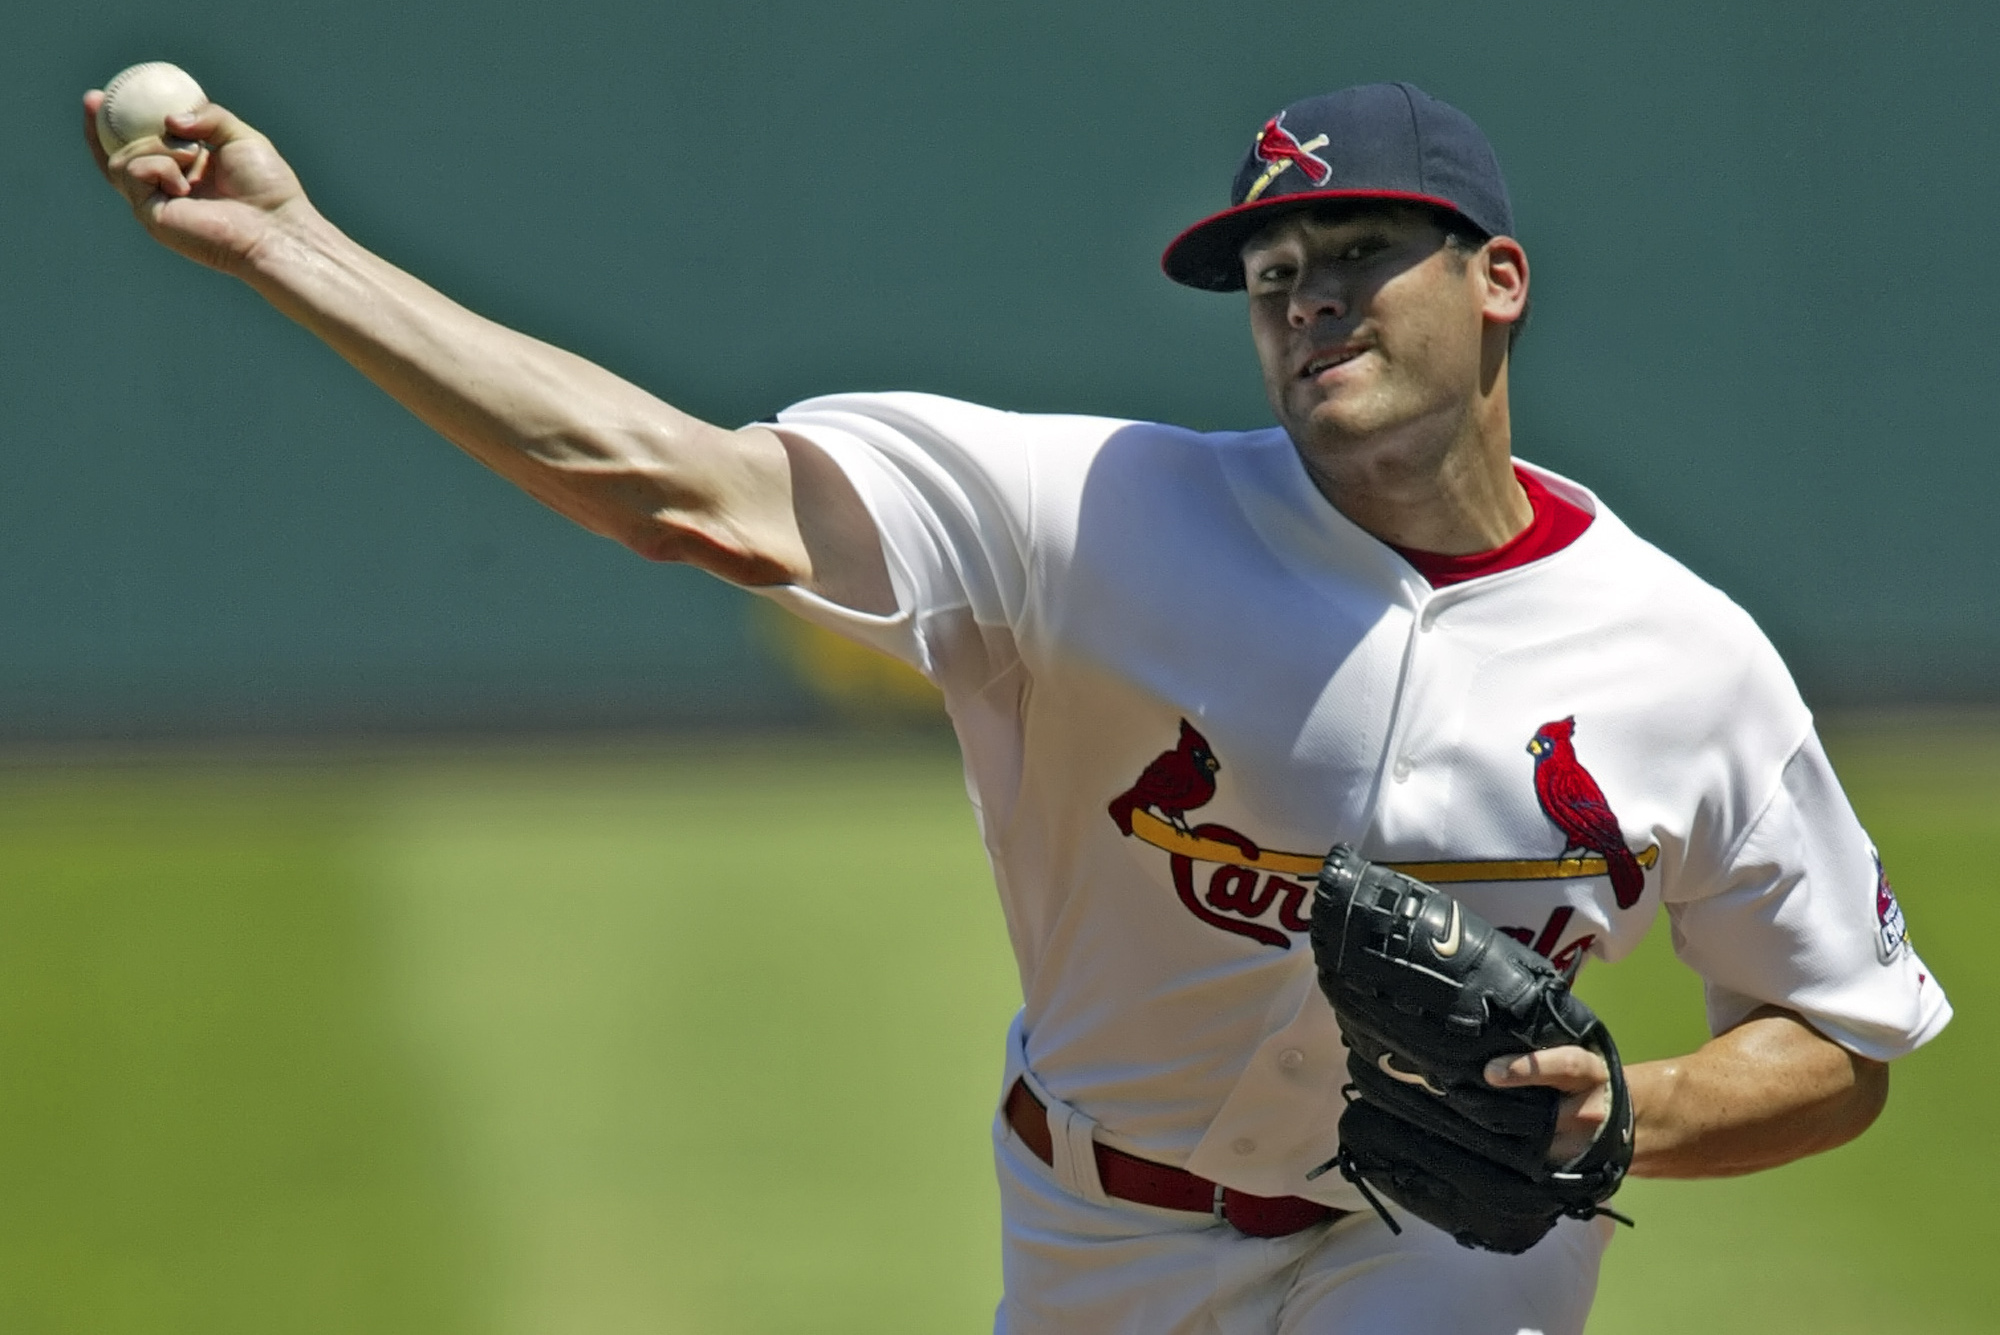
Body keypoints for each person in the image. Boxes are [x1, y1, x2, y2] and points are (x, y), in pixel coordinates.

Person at [88, 78, 1948, 1334]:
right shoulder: (1097, 515)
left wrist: (1639, 1111)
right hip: (1102, 1246)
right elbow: (667, 484)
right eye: (1274, 276)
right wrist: (286, 247)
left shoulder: (1685, 656)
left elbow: (1836, 1038)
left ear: (1500, 283)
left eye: (1362, 253)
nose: (1309, 299)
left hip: (1451, 1267)